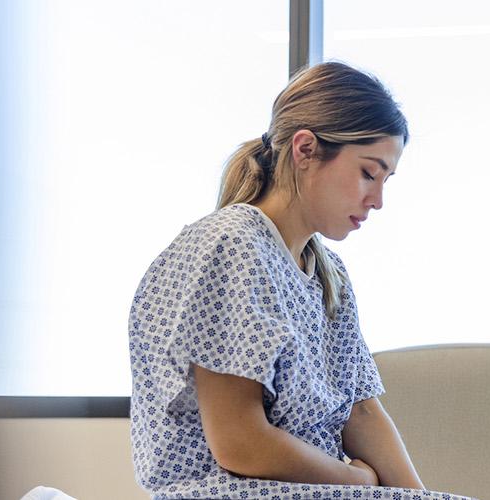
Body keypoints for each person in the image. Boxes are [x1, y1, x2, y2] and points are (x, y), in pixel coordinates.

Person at [128, 62, 467, 500]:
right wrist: (359, 481)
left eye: (387, 180)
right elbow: (239, 444)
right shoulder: (230, 246)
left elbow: (361, 412)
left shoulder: (329, 275)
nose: (378, 200)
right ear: (305, 150)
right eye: (368, 173)